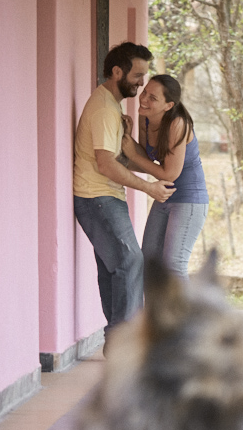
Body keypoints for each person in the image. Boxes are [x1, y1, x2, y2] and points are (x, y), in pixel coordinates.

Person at [73, 43, 174, 339]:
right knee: (131, 261)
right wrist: (148, 188)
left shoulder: (111, 106)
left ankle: (119, 341)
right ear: (117, 72)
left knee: (115, 267)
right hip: (98, 198)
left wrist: (158, 173)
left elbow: (117, 157)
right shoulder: (104, 108)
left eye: (144, 75)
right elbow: (105, 164)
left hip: (105, 198)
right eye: (137, 75)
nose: (141, 82)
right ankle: (126, 343)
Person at [120, 74, 209, 280]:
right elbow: (146, 160)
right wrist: (129, 142)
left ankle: (185, 314)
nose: (143, 100)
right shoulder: (145, 117)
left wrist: (132, 154)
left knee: (174, 266)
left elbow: (169, 174)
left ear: (168, 105)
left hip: (189, 200)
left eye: (153, 98)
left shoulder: (178, 124)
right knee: (150, 262)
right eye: (145, 93)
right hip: (165, 197)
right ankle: (156, 313)